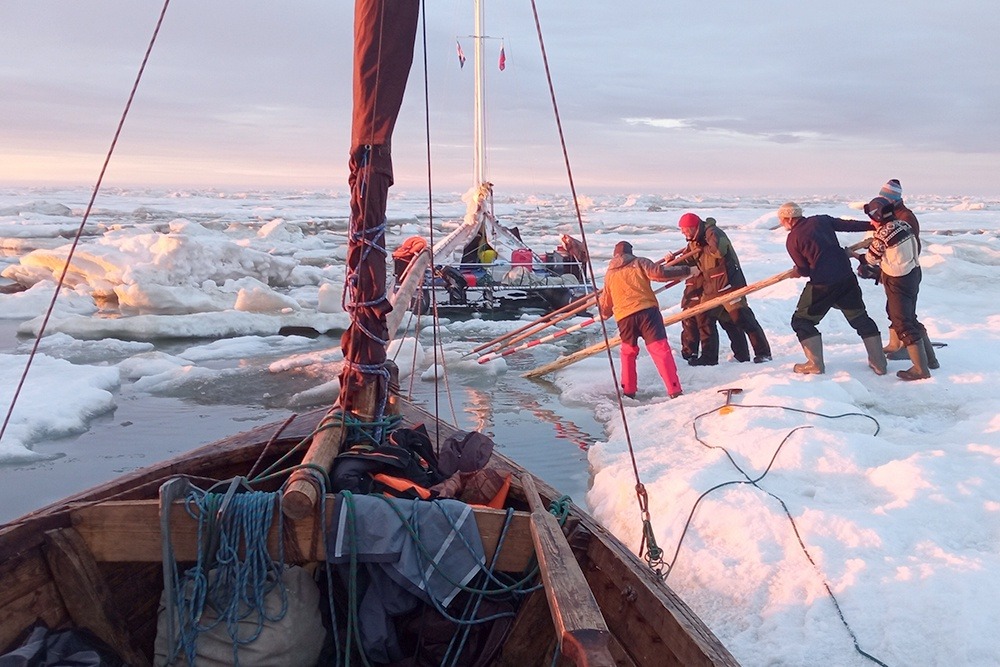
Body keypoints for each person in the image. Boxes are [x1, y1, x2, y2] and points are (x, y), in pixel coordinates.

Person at [777, 202, 886, 375]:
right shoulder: (821, 220)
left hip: (822, 286)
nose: (782, 223)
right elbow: (848, 225)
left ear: (789, 219)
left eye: (782, 220)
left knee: (801, 322)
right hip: (846, 279)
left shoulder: (793, 239)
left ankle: (815, 364)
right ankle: (879, 363)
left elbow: (805, 270)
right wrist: (872, 225)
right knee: (860, 318)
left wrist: (797, 272)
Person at [599, 241, 698, 399]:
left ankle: (629, 391)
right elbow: (660, 273)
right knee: (660, 350)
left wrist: (604, 314)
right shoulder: (639, 262)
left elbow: (605, 304)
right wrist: (688, 270)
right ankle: (674, 390)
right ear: (630, 253)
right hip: (647, 313)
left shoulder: (609, 275)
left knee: (628, 353)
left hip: (624, 318)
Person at [677, 213, 772, 364]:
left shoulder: (713, 233)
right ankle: (709, 358)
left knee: (742, 319)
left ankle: (763, 353)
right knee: (705, 319)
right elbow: (688, 260)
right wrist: (669, 265)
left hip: (729, 285)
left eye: (684, 230)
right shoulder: (694, 241)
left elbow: (718, 251)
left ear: (693, 227)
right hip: (712, 288)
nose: (683, 233)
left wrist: (702, 246)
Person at [859, 196, 932, 381]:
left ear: (877, 215)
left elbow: (871, 259)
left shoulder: (884, 233)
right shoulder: (903, 224)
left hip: (898, 280)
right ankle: (931, 360)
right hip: (913, 274)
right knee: (910, 318)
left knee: (902, 323)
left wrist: (855, 256)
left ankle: (920, 369)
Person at [873, 179, 936, 367]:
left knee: (904, 316)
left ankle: (909, 350)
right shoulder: (892, 215)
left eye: (884, 198)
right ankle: (896, 344)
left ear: (892, 200)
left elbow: (908, 246)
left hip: (903, 272)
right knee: (894, 311)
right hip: (896, 270)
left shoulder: (905, 217)